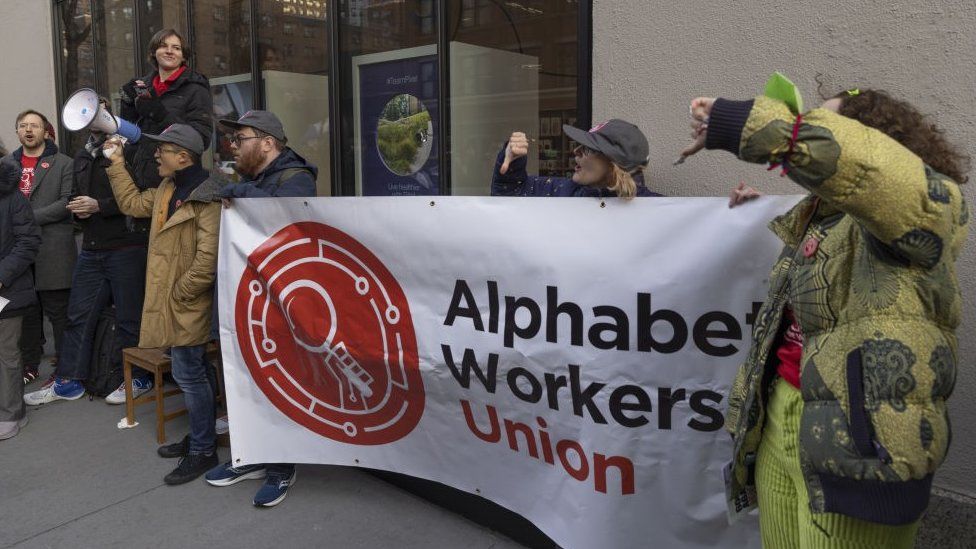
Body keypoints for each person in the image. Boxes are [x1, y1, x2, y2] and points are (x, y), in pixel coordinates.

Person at [684, 87, 969, 548]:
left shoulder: (930, 208)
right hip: (782, 417)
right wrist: (757, 211)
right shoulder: (819, 216)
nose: (813, 134)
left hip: (859, 442)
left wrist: (748, 125)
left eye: (826, 126)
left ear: (874, 143)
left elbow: (877, 182)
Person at [204, 110, 317, 507]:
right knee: (243, 381)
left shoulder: (295, 178)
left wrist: (234, 191)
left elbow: (284, 222)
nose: (234, 147)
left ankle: (282, 466)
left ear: (268, 142)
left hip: (279, 306)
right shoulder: (254, 181)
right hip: (246, 299)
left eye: (242, 139)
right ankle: (250, 455)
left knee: (278, 382)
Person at [104, 124, 222, 485]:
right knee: (193, 371)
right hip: (175, 300)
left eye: (164, 149)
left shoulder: (208, 197)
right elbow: (130, 203)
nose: (157, 154)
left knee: (189, 374)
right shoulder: (168, 189)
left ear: (183, 157)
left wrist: (182, 292)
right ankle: (202, 437)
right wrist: (115, 163)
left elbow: (208, 257)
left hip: (188, 302)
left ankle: (203, 450)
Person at [23, 98, 150, 406]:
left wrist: (100, 206)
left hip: (127, 245)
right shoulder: (84, 154)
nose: (92, 116)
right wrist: (79, 207)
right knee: (77, 315)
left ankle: (135, 377)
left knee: (130, 317)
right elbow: (80, 192)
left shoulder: (131, 147)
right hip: (93, 246)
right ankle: (69, 380)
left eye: (99, 109)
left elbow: (145, 197)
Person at [2, 111, 76, 386]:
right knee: (26, 313)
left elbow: (67, 202)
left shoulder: (64, 163)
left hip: (53, 249)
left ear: (46, 131)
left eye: (34, 125)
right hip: (17, 251)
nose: (28, 130)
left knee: (59, 313)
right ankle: (29, 366)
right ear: (17, 132)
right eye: (23, 126)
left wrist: (24, 219)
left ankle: (65, 370)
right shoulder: (5, 164)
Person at [120, 28, 212, 193]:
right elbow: (132, 134)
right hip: (140, 177)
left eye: (176, 48)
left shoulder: (196, 88)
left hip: (177, 182)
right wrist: (127, 105)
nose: (170, 51)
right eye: (163, 46)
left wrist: (159, 115)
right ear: (154, 52)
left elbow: (202, 139)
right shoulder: (143, 85)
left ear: (183, 56)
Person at [492, 120, 659, 197]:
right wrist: (513, 160)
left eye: (587, 148)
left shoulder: (658, 211)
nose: (575, 151)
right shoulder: (565, 191)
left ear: (615, 163)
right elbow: (512, 194)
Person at [0, 158, 42, 440]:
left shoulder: (12, 197)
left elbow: (29, 242)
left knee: (7, 354)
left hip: (7, 288)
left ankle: (11, 413)